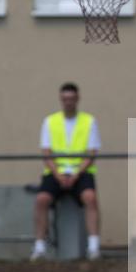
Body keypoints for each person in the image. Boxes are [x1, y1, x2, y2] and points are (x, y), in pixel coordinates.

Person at [31, 82, 102, 260]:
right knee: (41, 200)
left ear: (78, 99)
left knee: (91, 198)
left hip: (81, 172)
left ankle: (94, 247)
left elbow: (91, 153)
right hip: (56, 173)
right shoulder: (50, 121)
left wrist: (76, 175)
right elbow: (46, 153)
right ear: (60, 100)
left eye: (71, 99)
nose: (68, 102)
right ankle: (39, 247)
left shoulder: (89, 121)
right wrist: (58, 175)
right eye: (65, 99)